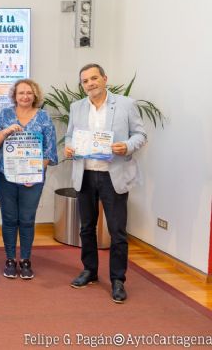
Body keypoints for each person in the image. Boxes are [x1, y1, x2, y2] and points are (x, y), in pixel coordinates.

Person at [65, 63, 147, 303]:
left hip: (114, 175)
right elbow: (70, 134)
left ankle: (118, 279)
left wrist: (128, 146)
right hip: (86, 174)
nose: (90, 84)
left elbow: (141, 134)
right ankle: (89, 271)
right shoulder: (76, 107)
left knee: (117, 231)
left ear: (104, 78)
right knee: (86, 228)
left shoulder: (126, 104)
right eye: (85, 81)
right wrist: (69, 147)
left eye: (94, 78)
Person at [0, 79, 58, 280]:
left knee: (27, 220)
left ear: (35, 95)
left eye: (29, 93)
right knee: (10, 219)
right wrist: (6, 131)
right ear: (14, 95)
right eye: (21, 93)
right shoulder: (4, 115)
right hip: (4, 176)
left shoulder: (44, 117)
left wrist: (33, 174)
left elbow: (50, 151)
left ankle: (26, 260)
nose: (25, 96)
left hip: (33, 178)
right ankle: (11, 259)